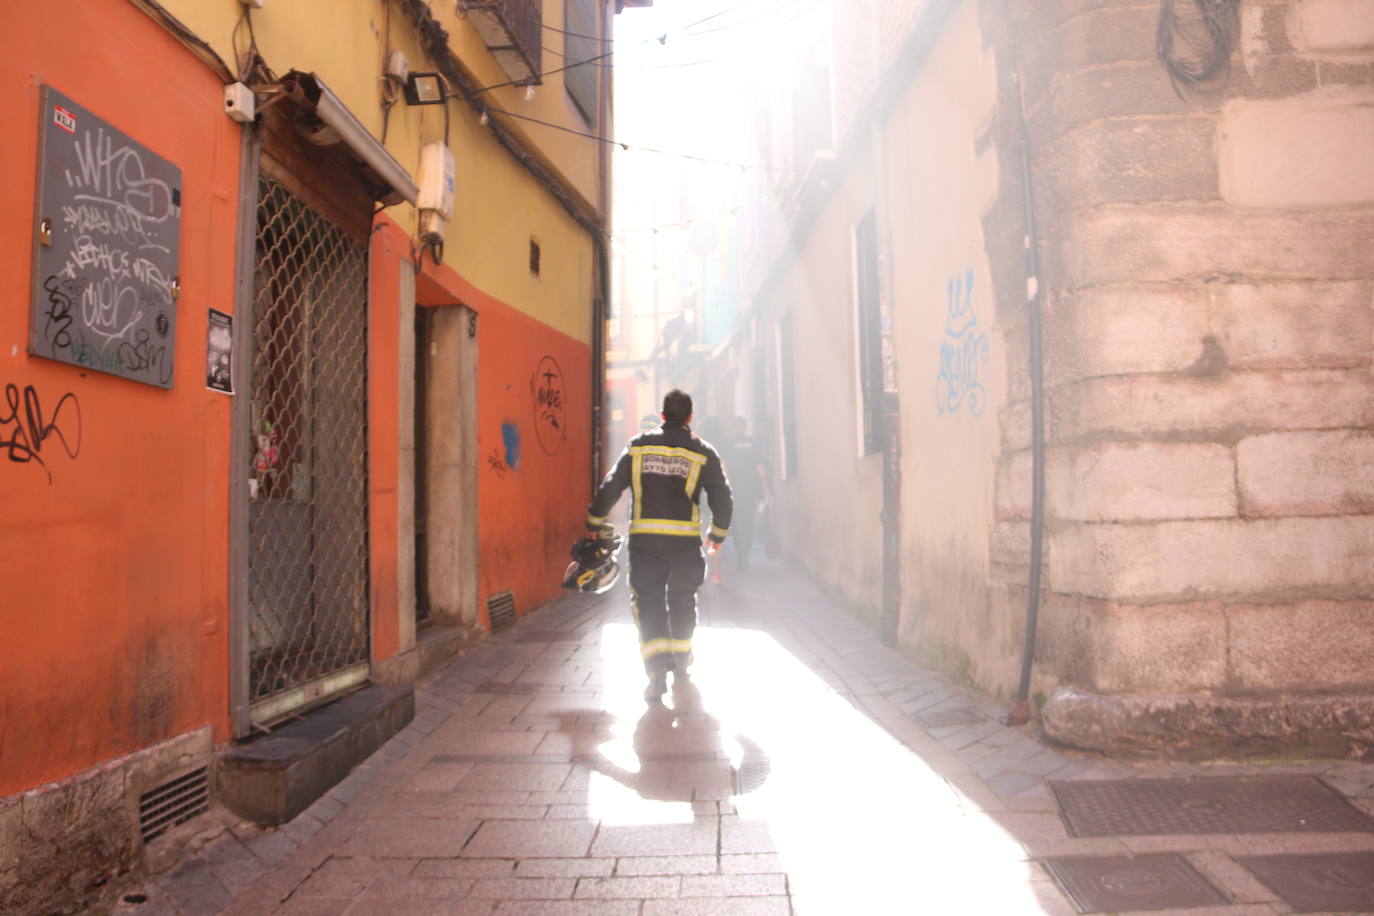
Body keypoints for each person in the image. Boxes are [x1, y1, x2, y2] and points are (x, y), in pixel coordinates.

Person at [586, 389, 733, 703]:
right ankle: (681, 661)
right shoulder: (703, 451)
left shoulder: (638, 446)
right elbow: (722, 496)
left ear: (663, 415)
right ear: (690, 417)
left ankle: (656, 671)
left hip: (646, 543)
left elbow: (612, 485)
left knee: (648, 602)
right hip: (685, 544)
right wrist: (717, 534)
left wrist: (594, 520)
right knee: (683, 600)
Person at [720, 416, 769, 571]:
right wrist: (765, 488)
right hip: (750, 489)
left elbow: (724, 466)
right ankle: (745, 552)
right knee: (748, 520)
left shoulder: (726, 443)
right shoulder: (753, 443)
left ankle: (740, 550)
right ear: (745, 427)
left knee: (735, 520)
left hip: (734, 489)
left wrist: (725, 486)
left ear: (733, 427)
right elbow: (760, 468)